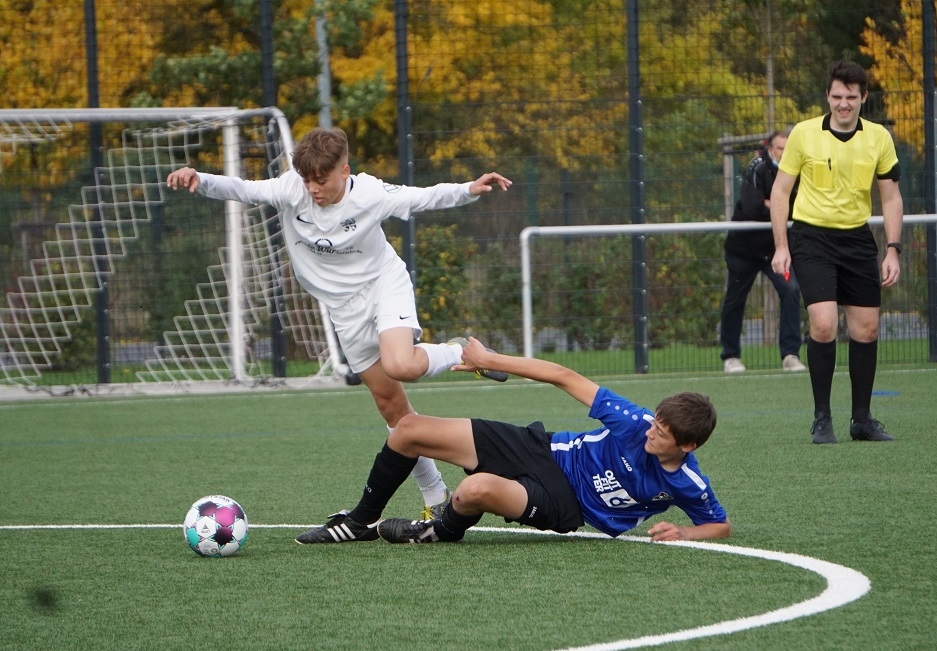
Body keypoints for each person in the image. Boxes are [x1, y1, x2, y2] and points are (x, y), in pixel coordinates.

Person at [166, 127, 513, 516]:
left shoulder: (370, 193)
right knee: (392, 409)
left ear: (344, 170)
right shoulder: (292, 189)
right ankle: (435, 497)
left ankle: (457, 351)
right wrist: (200, 179)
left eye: (321, 179)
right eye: (307, 179)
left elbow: (422, 197)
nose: (312, 188)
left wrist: (469, 188)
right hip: (343, 309)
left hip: (382, 286)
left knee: (401, 365)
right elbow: (244, 189)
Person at [294, 337, 731, 545]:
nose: (651, 432)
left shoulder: (686, 482)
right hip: (542, 448)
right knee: (409, 430)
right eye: (655, 423)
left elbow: (720, 525)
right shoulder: (635, 422)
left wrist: (685, 532)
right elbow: (563, 376)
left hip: (566, 504)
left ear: (687, 447)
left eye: (662, 434)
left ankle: (438, 531)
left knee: (473, 490)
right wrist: (490, 359)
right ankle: (360, 521)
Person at [769, 60, 904, 444]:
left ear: (863, 98)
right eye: (837, 96)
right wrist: (781, 246)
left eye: (851, 97)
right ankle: (822, 418)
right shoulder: (804, 134)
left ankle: (861, 420)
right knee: (824, 323)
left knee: (867, 329)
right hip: (811, 238)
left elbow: (891, 198)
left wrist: (892, 250)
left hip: (857, 239)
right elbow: (780, 191)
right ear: (827, 96)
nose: (844, 103)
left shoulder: (879, 138)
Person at [719, 129, 806, 374]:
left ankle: (790, 354)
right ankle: (731, 356)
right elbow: (751, 207)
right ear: (770, 149)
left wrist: (772, 203)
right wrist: (781, 204)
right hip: (743, 250)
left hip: (776, 251)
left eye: (789, 149)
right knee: (735, 298)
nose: (784, 153)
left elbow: (802, 207)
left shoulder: (800, 170)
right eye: (780, 148)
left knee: (790, 290)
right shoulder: (756, 168)